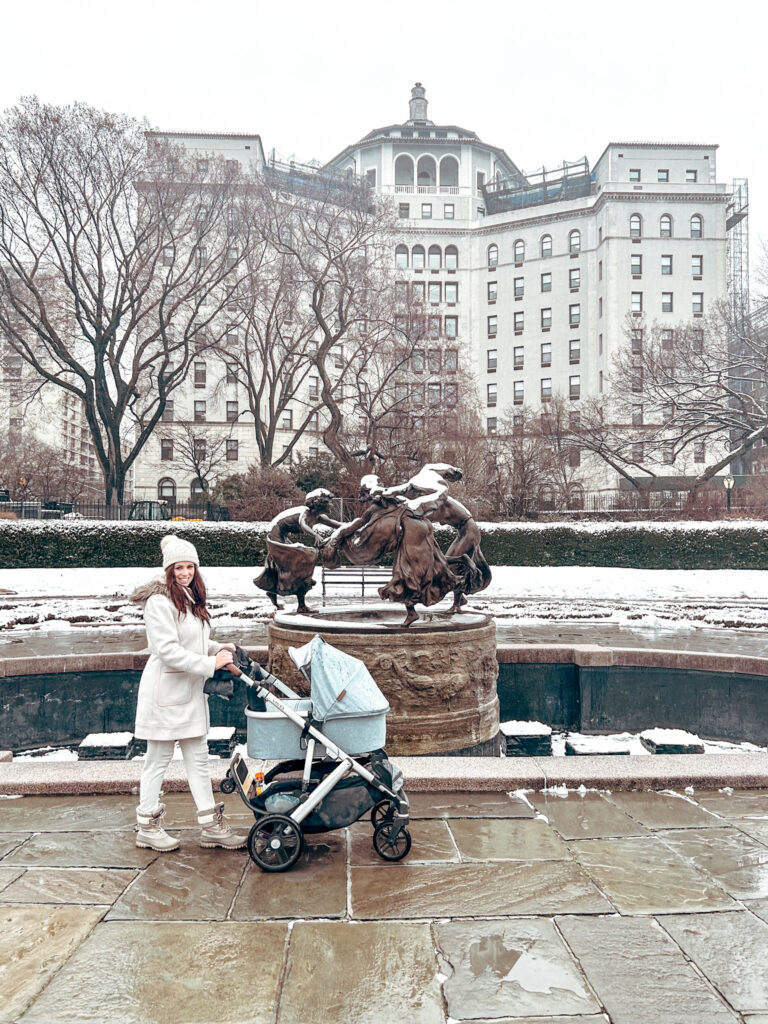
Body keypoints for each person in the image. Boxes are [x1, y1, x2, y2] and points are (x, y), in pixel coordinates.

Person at [130, 534, 246, 852]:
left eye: (189, 567)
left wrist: (219, 647)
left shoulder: (188, 597)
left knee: (198, 760)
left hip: (189, 692)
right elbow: (167, 651)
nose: (184, 573)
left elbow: (192, 643)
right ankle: (147, 825)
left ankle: (210, 826)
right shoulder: (159, 602)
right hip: (166, 693)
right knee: (157, 760)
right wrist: (211, 663)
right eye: (178, 567)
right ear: (168, 570)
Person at [324, 474, 456, 627]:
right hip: (421, 525)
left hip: (411, 532)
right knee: (433, 566)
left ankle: (411, 612)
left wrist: (340, 534)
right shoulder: (399, 500)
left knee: (406, 573)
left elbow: (359, 523)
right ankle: (457, 594)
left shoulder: (377, 507)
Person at [383, 463, 492, 613]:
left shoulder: (439, 500)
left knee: (452, 566)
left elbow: (423, 517)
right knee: (447, 561)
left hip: (469, 530)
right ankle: (460, 598)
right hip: (464, 531)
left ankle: (457, 604)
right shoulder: (435, 499)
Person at [253, 487, 341, 614]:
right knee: (303, 560)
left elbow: (335, 523)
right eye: (328, 502)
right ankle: (289, 597)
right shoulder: (304, 513)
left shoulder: (319, 517)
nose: (332, 504)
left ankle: (292, 600)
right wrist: (315, 534)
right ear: (318, 503)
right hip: (274, 536)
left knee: (303, 564)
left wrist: (355, 527)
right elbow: (303, 524)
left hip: (282, 537)